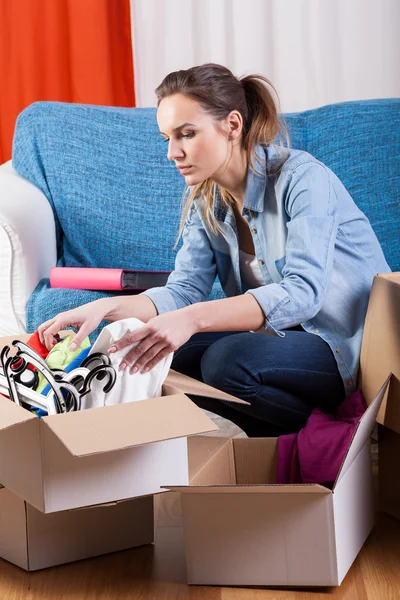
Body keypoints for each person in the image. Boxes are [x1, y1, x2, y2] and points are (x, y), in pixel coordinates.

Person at [38, 63, 390, 437]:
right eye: (166, 138)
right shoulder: (206, 200)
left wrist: (193, 319)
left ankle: (347, 433)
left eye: (186, 134)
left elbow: (303, 294)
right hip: (283, 342)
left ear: (232, 126)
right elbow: (183, 291)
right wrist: (106, 307)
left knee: (227, 363)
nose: (172, 152)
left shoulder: (303, 179)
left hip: (346, 347)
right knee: (160, 354)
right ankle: (278, 441)